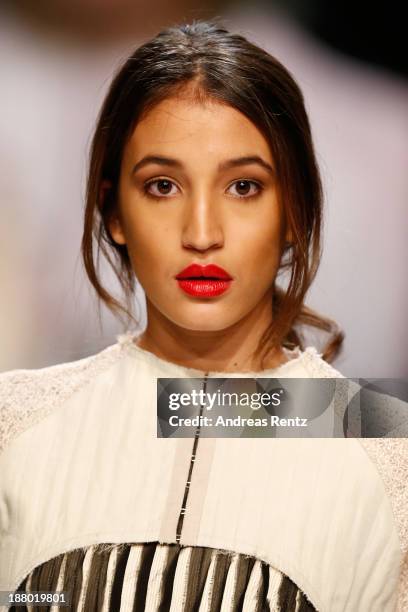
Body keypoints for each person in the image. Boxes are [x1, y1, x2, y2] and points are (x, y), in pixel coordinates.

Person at [0, 19, 406, 612]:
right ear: (114, 212)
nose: (201, 234)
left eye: (243, 187)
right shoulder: (16, 425)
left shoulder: (385, 442)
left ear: (295, 209)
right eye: (163, 185)